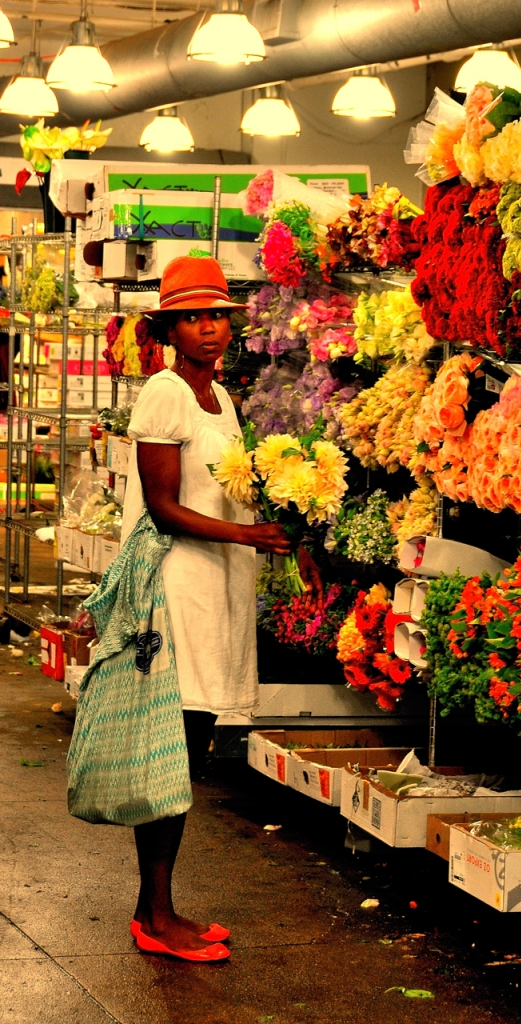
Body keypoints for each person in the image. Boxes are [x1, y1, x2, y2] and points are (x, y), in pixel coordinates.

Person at [120, 255, 322, 961]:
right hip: (177, 592)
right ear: (171, 327)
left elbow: (219, 492)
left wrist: (282, 521)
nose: (210, 329)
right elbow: (165, 508)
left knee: (189, 749)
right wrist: (249, 533)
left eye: (218, 317)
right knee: (170, 753)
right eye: (195, 318)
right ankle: (156, 916)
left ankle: (157, 908)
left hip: (216, 588)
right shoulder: (166, 393)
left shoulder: (221, 399)